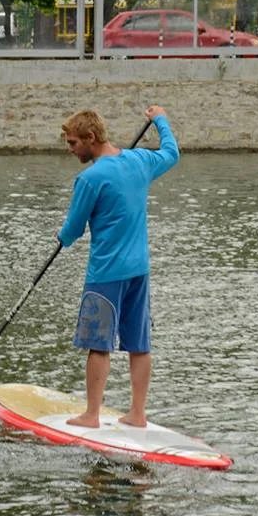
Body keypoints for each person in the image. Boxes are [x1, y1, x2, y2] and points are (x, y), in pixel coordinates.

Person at [57, 105, 180, 429]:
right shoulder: (140, 161)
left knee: (98, 345)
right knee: (139, 344)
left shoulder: (89, 179)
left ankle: (91, 415)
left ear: (90, 137)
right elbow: (172, 153)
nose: (70, 149)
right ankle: (137, 414)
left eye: (73, 143)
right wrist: (160, 119)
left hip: (106, 274)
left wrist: (61, 236)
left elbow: (73, 230)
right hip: (139, 270)